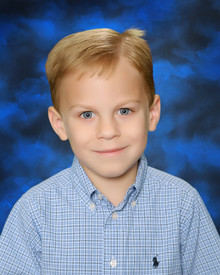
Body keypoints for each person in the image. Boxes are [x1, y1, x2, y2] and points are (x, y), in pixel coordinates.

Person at [0, 28, 219, 274]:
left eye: (124, 111)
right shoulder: (34, 212)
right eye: (87, 114)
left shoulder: (182, 204)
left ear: (152, 113)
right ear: (60, 124)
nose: (108, 131)